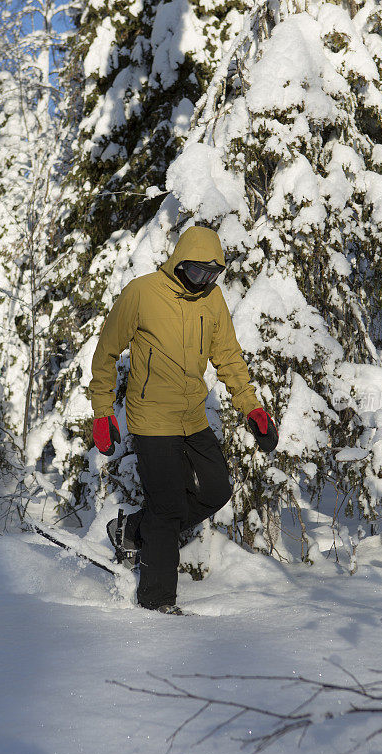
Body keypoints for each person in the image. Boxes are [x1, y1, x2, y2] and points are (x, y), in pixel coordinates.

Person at [89, 225, 277, 614]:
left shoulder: (212, 300)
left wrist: (252, 407)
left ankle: (133, 530)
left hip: (192, 416)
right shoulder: (142, 294)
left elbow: (228, 356)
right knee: (168, 505)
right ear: (179, 263)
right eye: (196, 273)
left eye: (213, 275)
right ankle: (157, 603)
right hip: (152, 418)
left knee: (215, 490)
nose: (204, 282)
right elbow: (107, 352)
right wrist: (103, 411)